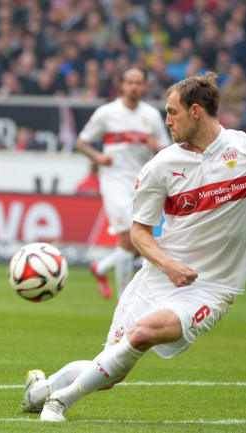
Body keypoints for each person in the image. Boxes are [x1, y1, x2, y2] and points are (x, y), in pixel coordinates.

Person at [22, 72, 246, 422]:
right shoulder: (161, 166)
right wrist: (168, 266)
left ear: (196, 111)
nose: (166, 121)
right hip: (157, 278)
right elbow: (139, 234)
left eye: (172, 112)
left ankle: (59, 401)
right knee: (111, 367)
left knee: (144, 334)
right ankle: (40, 392)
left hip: (210, 288)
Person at [75, 68, 171, 300]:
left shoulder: (151, 115)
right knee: (130, 238)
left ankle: (101, 268)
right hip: (114, 182)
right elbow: (81, 142)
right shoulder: (107, 113)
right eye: (130, 82)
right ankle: (124, 301)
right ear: (122, 85)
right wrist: (97, 158)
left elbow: (167, 150)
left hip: (142, 184)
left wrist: (154, 147)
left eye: (139, 83)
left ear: (145, 86)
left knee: (139, 245)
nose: (134, 87)